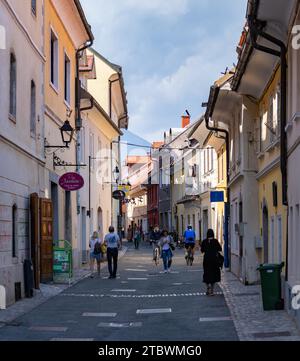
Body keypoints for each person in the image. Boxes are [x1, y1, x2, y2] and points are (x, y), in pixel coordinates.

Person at [201, 229, 222, 296]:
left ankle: (208, 287)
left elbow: (202, 250)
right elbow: (220, 249)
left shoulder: (204, 241)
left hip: (206, 259)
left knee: (206, 274)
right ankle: (212, 291)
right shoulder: (215, 241)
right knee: (213, 274)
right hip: (214, 260)